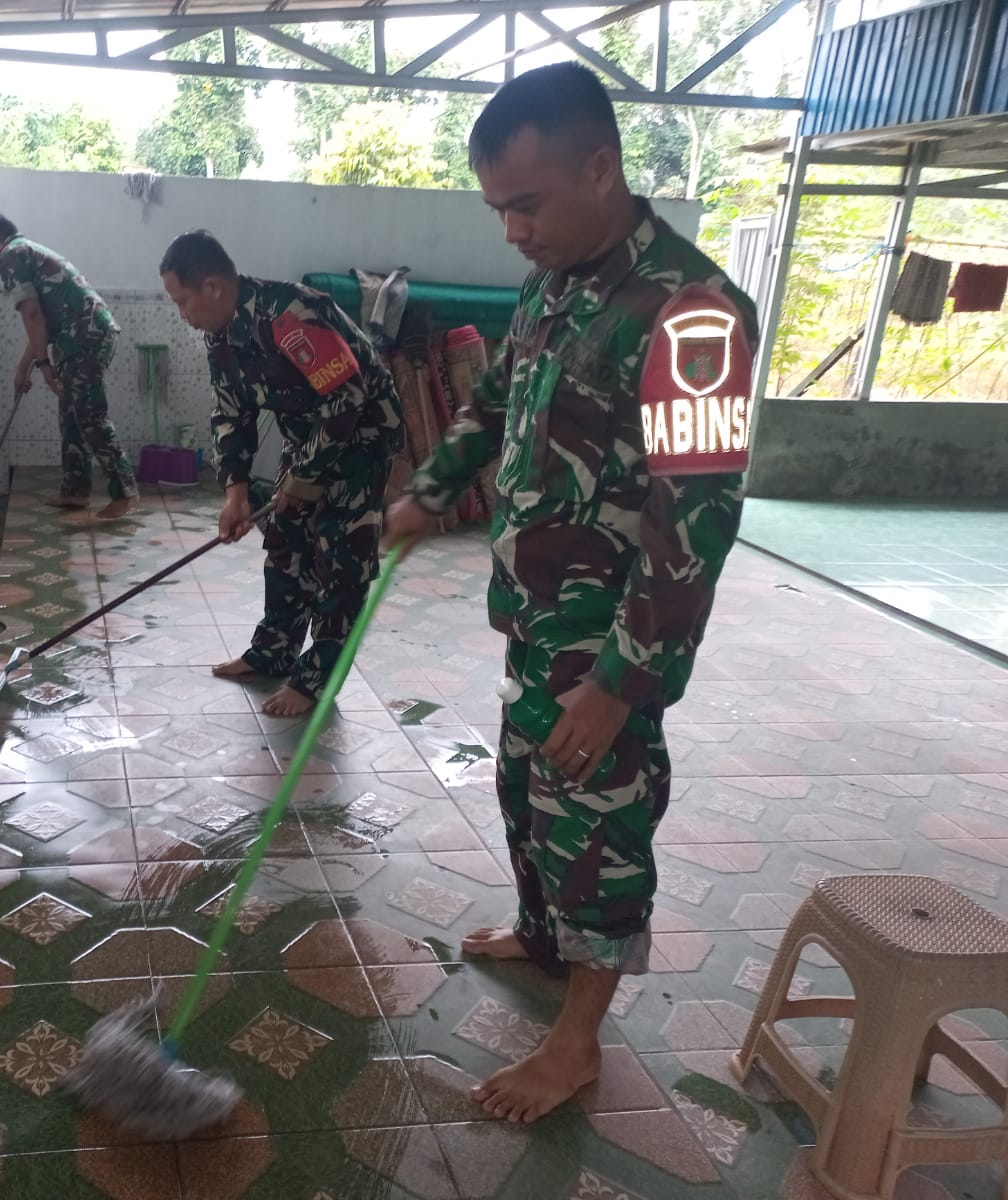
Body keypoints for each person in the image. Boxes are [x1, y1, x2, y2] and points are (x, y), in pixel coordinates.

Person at [383, 62, 758, 1123]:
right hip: (535, 623)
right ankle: (541, 938)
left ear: (601, 166)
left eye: (526, 203)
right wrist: (429, 491)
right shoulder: (556, 280)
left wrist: (622, 686)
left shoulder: (692, 318)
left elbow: (697, 526)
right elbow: (496, 394)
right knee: (523, 795)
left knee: (595, 826)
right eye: (498, 208)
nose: (512, 230)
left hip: (608, 646)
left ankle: (579, 1041)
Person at [160, 231, 404, 717]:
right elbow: (231, 414)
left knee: (341, 554)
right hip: (312, 435)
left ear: (212, 287)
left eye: (183, 301)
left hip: (363, 436)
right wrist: (236, 492)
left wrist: (304, 479)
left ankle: (316, 679)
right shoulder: (221, 335)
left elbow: (346, 398)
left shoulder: (291, 313)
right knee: (286, 537)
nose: (182, 314)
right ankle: (273, 650)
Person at [0, 215, 139, 519]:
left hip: (85, 340)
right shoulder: (27, 251)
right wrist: (23, 368)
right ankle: (76, 491)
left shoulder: (10, 257)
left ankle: (125, 492)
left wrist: (43, 365)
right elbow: (40, 324)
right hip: (80, 337)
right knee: (71, 415)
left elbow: (34, 317)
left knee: (90, 414)